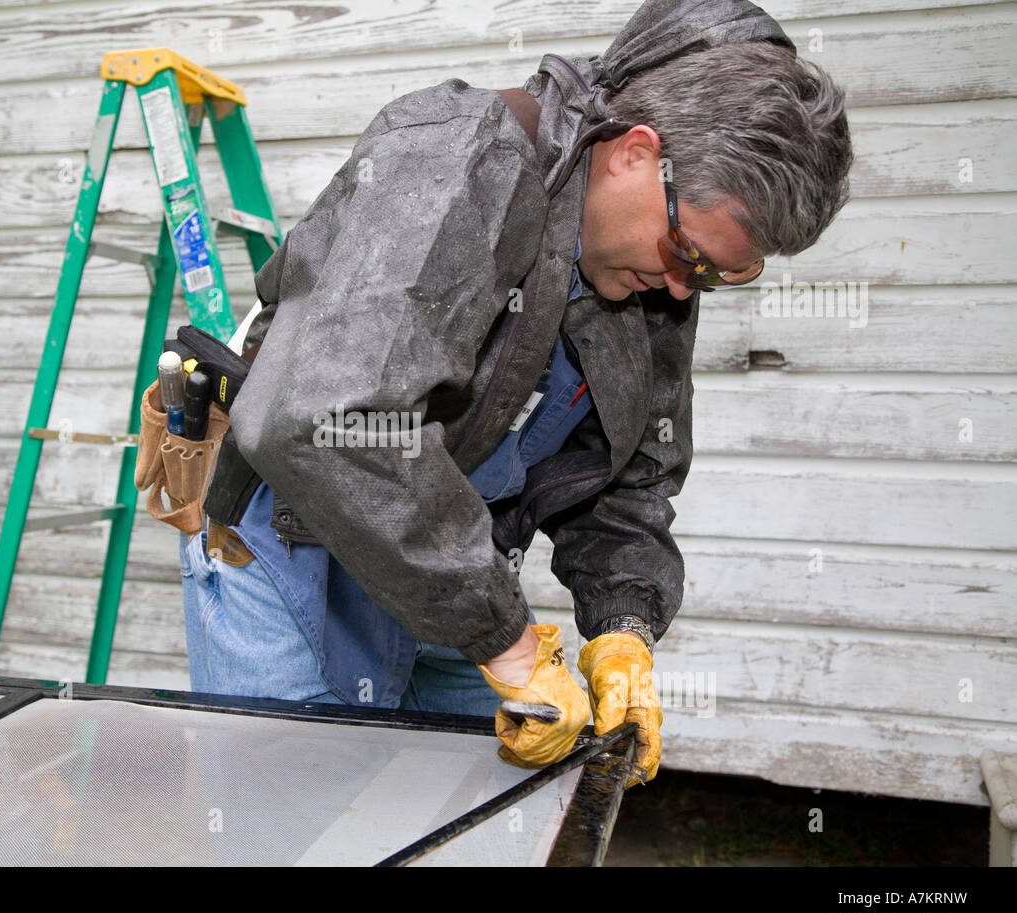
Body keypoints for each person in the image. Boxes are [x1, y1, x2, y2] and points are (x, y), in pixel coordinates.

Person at [180, 0, 853, 785]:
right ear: (638, 153)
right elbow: (328, 417)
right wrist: (507, 642)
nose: (682, 285)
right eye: (688, 254)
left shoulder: (658, 259)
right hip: (303, 555)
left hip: (457, 571)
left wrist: (623, 625)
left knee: (464, 823)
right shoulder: (454, 157)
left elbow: (630, 471)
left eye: (712, 274)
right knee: (290, 833)